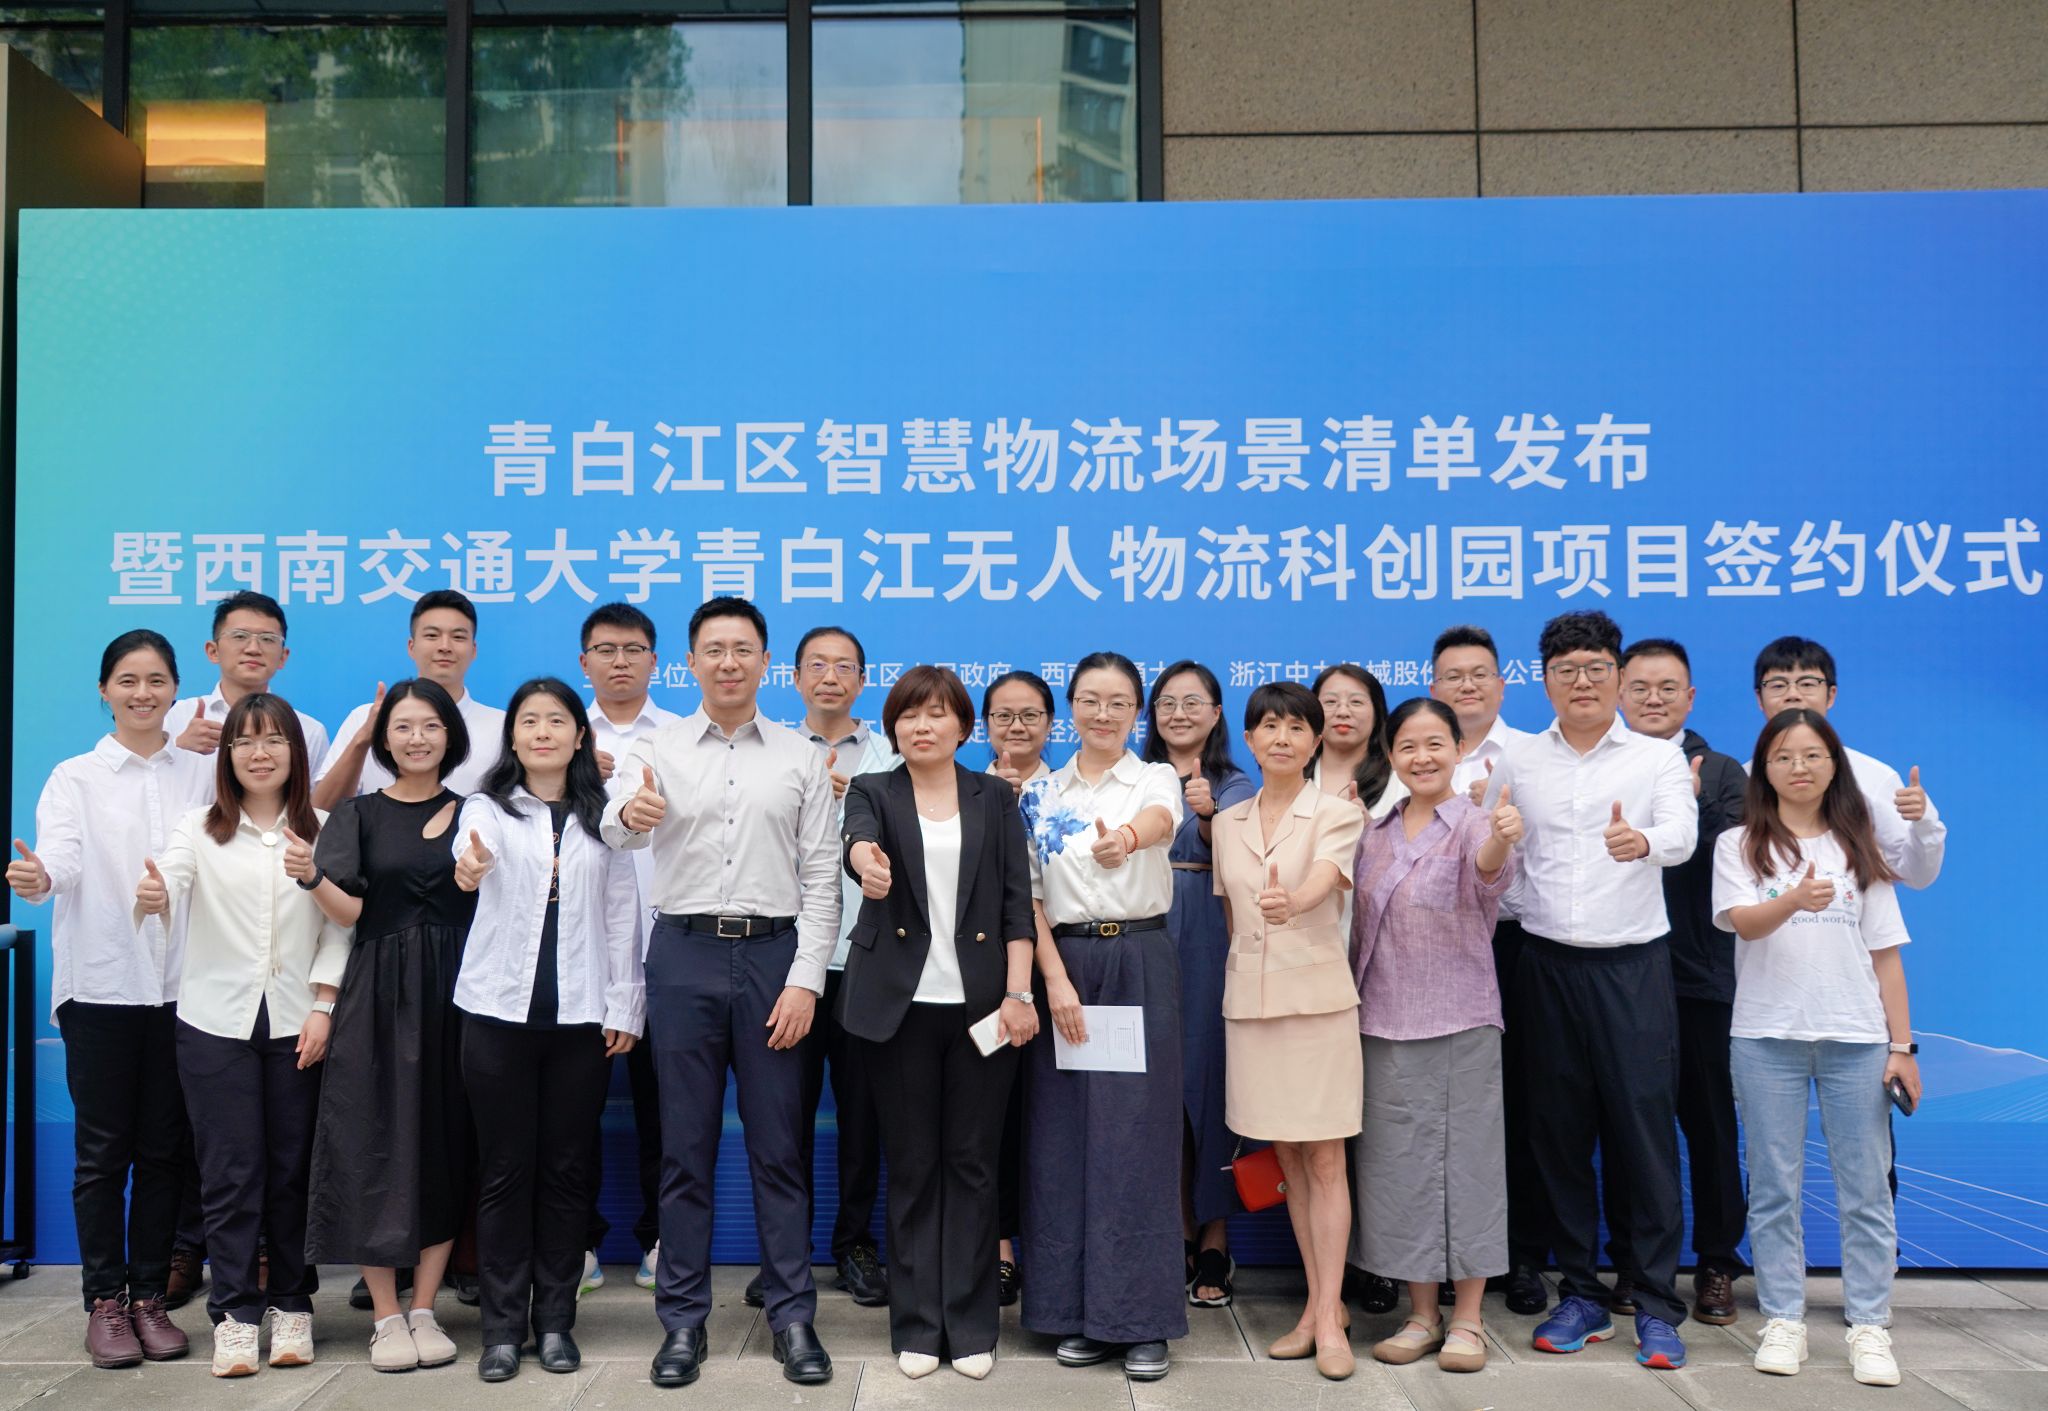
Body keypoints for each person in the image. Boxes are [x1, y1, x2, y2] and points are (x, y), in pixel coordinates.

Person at [601, 597, 839, 1390]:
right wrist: (631, 812)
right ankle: (681, 1322)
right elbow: (618, 828)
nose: (728, 662)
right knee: (685, 1149)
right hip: (684, 954)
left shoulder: (800, 756)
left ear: (766, 663)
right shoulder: (657, 748)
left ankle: (793, 1316)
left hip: (774, 958)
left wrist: (805, 979)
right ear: (691, 662)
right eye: (714, 649)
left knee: (779, 1149)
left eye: (742, 649)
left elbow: (821, 877)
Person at [7, 629, 211, 1370]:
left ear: (175, 689)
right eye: (128, 680)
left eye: (156, 680)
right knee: (102, 1154)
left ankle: (150, 1298)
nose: (142, 693)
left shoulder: (202, 772)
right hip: (101, 984)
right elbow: (59, 857)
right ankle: (104, 1302)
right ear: (104, 689)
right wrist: (41, 879)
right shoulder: (75, 778)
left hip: (183, 987)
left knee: (164, 1151)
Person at [135, 694, 348, 1377]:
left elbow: (341, 926)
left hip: (298, 1023)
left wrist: (324, 1004)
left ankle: (292, 1304)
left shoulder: (325, 830)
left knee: (291, 1170)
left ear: (295, 752)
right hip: (214, 1023)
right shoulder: (199, 827)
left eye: (274, 740)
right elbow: (169, 878)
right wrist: (154, 896)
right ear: (226, 755)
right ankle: (234, 1314)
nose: (260, 753)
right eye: (245, 741)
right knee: (230, 1172)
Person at [838, 666, 1040, 1380]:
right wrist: (865, 862)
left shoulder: (994, 796)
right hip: (898, 1008)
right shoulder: (873, 789)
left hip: (983, 1007)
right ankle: (919, 1325)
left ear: (962, 726)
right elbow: (858, 840)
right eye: (908, 715)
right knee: (914, 1166)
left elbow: (1016, 902)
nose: (921, 726)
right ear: (893, 727)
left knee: (973, 1165)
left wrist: (1019, 993)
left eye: (936, 714)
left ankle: (973, 1323)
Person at [1507, 612, 1696, 1371]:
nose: (1581, 682)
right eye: (1565, 670)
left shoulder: (1656, 757)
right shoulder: (1521, 759)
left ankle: (1653, 1302)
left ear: (1617, 676)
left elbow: (1681, 835)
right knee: (1557, 1136)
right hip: (1545, 966)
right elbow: (1503, 853)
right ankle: (1580, 1292)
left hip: (1631, 969)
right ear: (1545, 680)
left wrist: (1642, 842)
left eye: (1594, 668)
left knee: (1642, 1136)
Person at [1712, 708, 1918, 1388]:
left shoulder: (1858, 846)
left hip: (1856, 1038)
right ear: (1763, 769)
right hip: (1765, 1035)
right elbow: (1743, 923)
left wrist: (1902, 1046)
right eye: (1783, 756)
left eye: (1812, 755)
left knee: (1866, 1188)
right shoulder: (1740, 844)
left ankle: (1869, 1325)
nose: (1798, 767)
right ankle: (1783, 1319)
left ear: (1834, 765)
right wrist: (1794, 898)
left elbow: (1886, 955)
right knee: (1774, 1186)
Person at [453, 679, 645, 1382]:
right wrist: (470, 865)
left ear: (578, 735)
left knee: (566, 1171)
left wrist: (626, 1005)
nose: (542, 731)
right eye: (529, 720)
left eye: (556, 720)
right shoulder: (488, 806)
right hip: (496, 1015)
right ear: (512, 735)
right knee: (505, 1170)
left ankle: (557, 1322)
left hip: (581, 1019)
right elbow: (468, 856)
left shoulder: (605, 814)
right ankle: (502, 1329)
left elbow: (622, 912)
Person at [301, 679, 477, 1373]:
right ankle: (384, 1314)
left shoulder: (478, 811)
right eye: (403, 726)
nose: (416, 738)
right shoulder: (358, 814)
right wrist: (310, 876)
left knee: (443, 1143)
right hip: (376, 993)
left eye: (430, 725)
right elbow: (349, 912)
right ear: (384, 738)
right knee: (374, 1143)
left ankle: (426, 1306)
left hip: (458, 995)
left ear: (450, 734)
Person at [1018, 650, 1185, 1382]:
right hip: (1067, 965)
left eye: (1119, 702)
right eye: (1090, 700)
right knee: (1063, 1140)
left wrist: (1127, 839)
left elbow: (1158, 820)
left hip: (1138, 960)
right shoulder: (1038, 793)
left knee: (1137, 1139)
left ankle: (1139, 1320)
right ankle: (1073, 1311)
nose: (1104, 713)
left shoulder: (1154, 777)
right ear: (1071, 708)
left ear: (1136, 711)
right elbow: (1027, 896)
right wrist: (1053, 980)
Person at [1352, 699, 1520, 1375]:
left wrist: (1503, 835)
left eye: (1434, 744)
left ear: (1458, 749)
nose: (1421, 757)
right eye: (1408, 746)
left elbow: (1489, 872)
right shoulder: (1373, 831)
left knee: (1468, 1168)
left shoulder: (1478, 820)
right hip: (1381, 1020)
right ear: (1391, 755)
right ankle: (1421, 1314)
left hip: (1460, 1019)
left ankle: (1470, 1318)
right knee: (1400, 1170)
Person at [1211, 683, 1366, 1380]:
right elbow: (1231, 918)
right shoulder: (1226, 822)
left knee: (1326, 1158)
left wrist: (1291, 901)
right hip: (1251, 1005)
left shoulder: (1336, 811)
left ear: (1316, 740)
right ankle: (1315, 1306)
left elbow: (1325, 880)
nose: (1282, 737)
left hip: (1317, 1004)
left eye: (1296, 727)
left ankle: (1329, 1317)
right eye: (1268, 726)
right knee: (1289, 1160)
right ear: (1249, 739)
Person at [1612, 639, 1747, 1327]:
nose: (1653, 698)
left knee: (1710, 1125)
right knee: (1629, 1125)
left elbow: (1744, 859)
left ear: (1690, 698)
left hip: (1698, 979)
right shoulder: (1603, 767)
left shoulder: (1720, 771)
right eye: (1639, 687)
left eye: (1668, 687)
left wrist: (1690, 812)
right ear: (1618, 693)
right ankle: (1634, 1263)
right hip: (1623, 974)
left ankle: (1718, 1261)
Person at [1426, 626, 1544, 1315]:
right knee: (1440, 1114)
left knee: (1520, 1106)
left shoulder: (1532, 755)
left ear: (1503, 684)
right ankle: (1440, 1259)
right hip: (1436, 951)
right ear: (1433, 685)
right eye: (1453, 675)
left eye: (1479, 674)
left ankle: (1519, 1256)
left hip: (1514, 941)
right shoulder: (1415, 754)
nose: (1466, 685)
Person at [784, 625, 896, 1311]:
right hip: (787, 961)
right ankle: (786, 1252)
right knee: (783, 1115)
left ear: (862, 679)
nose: (830, 677)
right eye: (817, 665)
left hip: (865, 959)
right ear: (795, 677)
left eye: (844, 666)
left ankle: (855, 1242)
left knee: (863, 1115)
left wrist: (857, 796)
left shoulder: (891, 756)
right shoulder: (771, 751)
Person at [1141, 660, 1253, 1308]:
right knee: (1157, 1089)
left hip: (1209, 933)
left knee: (1210, 1086)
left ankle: (1215, 1235)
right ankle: (1176, 1228)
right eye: (1166, 702)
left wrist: (1208, 817)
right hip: (1146, 932)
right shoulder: (1136, 776)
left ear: (1215, 713)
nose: (1179, 713)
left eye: (1192, 702)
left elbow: (1236, 851)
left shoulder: (1235, 783)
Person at [577, 603, 680, 1295]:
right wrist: (576, 771)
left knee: (668, 1105)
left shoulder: (679, 737)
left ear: (655, 660)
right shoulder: (558, 731)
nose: (620, 661)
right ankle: (576, 1240)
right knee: (572, 1106)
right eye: (606, 649)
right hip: (581, 952)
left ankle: (661, 1237)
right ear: (584, 660)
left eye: (634, 649)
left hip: (666, 944)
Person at [1750, 637, 1943, 889]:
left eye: (1807, 684)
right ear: (1759, 698)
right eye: (1778, 685)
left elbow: (1917, 875)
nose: (1793, 695)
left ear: (1831, 695)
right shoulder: (1743, 778)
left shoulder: (1873, 778)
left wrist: (1923, 822)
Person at [980, 669, 1055, 1307]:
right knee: (995, 1115)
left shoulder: (1069, 791)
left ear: (1051, 724)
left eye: (1030, 715)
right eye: (1003, 715)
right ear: (983, 725)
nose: (1016, 727)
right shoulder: (964, 790)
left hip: (1066, 967)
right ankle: (1000, 1248)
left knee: (1057, 1112)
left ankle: (1056, 1246)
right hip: (992, 977)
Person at [314, 589, 504, 808]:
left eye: (458, 637)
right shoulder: (364, 719)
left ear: (474, 650)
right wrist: (364, 739)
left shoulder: (502, 726)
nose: (445, 646)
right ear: (411, 647)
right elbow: (321, 810)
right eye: (432, 635)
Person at [167, 591, 331, 777]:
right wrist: (178, 749)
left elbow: (314, 796)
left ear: (282, 657)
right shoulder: (174, 718)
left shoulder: (307, 731)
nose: (253, 649)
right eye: (239, 636)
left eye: (267, 639)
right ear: (213, 651)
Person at [1309, 664, 1405, 819]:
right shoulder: (1293, 774)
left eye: (1356, 702)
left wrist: (1371, 829)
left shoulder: (1402, 778)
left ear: (1377, 713)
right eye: (1330, 702)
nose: (1342, 712)